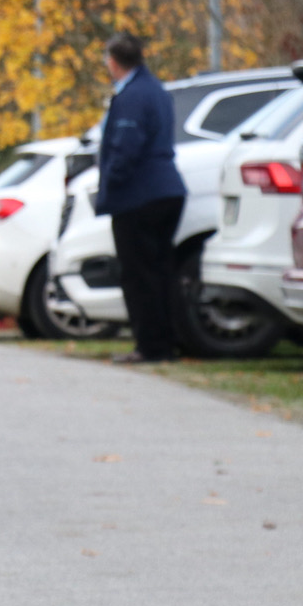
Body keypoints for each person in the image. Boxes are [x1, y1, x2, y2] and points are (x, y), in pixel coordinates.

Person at [94, 31, 187, 364]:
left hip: (139, 195)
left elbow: (125, 147)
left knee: (138, 274)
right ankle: (167, 343)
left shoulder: (132, 95)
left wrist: (110, 184)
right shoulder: (157, 90)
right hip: (168, 190)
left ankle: (150, 346)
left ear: (113, 61)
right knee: (161, 271)